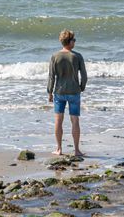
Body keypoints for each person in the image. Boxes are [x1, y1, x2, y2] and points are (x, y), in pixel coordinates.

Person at [47, 29, 87, 157]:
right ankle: (76, 150)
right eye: (74, 40)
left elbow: (51, 77)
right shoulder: (77, 56)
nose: (75, 42)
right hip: (74, 91)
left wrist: (50, 92)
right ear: (69, 42)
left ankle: (59, 149)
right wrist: (81, 87)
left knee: (58, 120)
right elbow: (84, 76)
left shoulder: (55, 56)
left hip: (59, 91)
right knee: (75, 120)